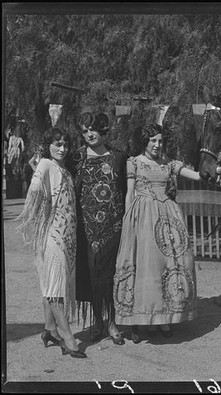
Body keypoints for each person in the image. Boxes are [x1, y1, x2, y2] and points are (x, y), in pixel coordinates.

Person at [114, 123, 200, 344]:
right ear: (145, 141)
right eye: (153, 140)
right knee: (147, 267)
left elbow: (196, 176)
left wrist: (212, 171)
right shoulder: (134, 162)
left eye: (160, 141)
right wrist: (128, 219)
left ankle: (165, 318)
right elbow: (130, 192)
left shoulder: (169, 163)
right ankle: (145, 318)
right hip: (143, 216)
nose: (157, 144)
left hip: (168, 218)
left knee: (169, 265)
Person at [17, 127, 87, 358]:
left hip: (67, 236)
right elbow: (35, 189)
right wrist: (39, 210)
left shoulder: (64, 169)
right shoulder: (46, 164)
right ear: (48, 145)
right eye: (58, 143)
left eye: (66, 144)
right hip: (53, 235)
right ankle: (68, 337)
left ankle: (49, 328)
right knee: (56, 286)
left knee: (53, 284)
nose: (62, 148)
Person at [69, 112, 127, 345]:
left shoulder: (118, 157)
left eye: (93, 128)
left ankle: (112, 322)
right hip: (86, 229)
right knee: (91, 276)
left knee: (111, 276)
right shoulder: (77, 157)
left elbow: (129, 187)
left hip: (113, 228)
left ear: (103, 130)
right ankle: (97, 321)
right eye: (84, 130)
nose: (89, 134)